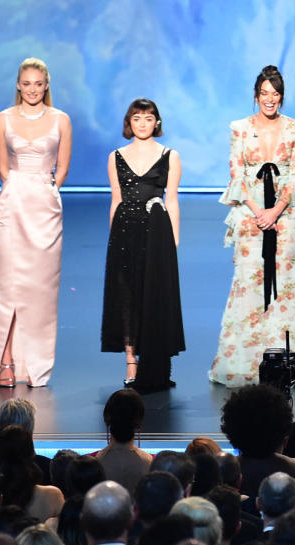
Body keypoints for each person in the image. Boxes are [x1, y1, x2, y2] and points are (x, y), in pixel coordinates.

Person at [212, 65, 295, 386]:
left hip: (284, 214)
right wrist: (260, 211)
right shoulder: (239, 128)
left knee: (284, 284)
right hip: (250, 213)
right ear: (256, 95)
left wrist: (276, 211)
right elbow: (237, 173)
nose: (269, 99)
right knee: (249, 282)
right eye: (264, 93)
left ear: (281, 96)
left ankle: (285, 361)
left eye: (275, 94)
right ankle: (246, 362)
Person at [0, 57, 72, 388]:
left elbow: (61, 168)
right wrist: (21, 189)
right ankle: (4, 360)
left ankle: (33, 363)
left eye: (38, 83)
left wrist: (45, 192)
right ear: (18, 84)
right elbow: (3, 168)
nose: (32, 89)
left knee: (39, 288)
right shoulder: (3, 118)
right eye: (26, 83)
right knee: (5, 284)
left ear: (46, 85)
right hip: (13, 202)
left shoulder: (61, 119)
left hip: (45, 208)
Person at [101, 98, 186, 392]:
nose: (142, 123)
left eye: (148, 118)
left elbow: (171, 201)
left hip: (156, 232)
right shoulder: (116, 156)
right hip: (125, 233)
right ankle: (131, 363)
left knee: (155, 297)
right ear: (129, 122)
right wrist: (113, 240)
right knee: (127, 297)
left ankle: (157, 363)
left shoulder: (170, 156)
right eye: (136, 118)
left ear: (156, 123)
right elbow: (116, 199)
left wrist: (173, 243)